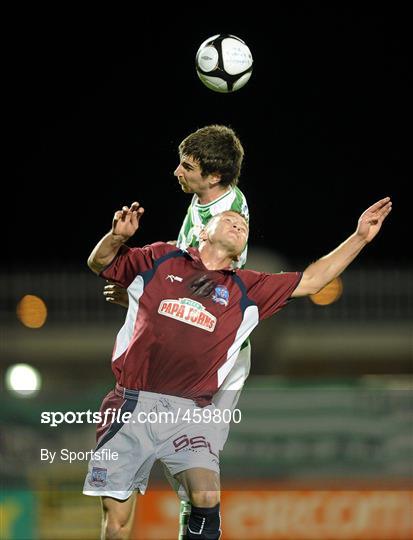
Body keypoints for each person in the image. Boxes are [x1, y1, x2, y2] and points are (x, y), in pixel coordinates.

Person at [83, 196, 392, 540]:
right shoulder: (159, 258)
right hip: (131, 404)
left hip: (191, 412)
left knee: (206, 496)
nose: (238, 224)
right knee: (116, 524)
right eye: (229, 220)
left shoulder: (247, 288)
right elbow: (101, 262)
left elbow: (313, 280)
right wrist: (116, 237)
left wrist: (360, 237)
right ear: (201, 232)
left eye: (243, 226)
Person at [102, 125, 251, 539]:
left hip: (214, 350)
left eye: (188, 167)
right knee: (185, 468)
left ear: (215, 178)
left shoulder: (227, 216)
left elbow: (216, 284)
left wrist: (147, 293)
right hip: (189, 341)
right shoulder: (205, 200)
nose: (177, 172)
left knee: (195, 465)